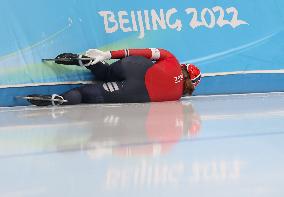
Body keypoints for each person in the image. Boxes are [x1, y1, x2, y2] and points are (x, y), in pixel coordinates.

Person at [27, 48, 201, 106]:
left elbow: (139, 52)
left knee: (107, 73)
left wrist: (107, 54)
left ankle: (89, 61)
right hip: (134, 92)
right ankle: (59, 99)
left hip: (133, 66)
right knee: (83, 94)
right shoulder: (175, 97)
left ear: (182, 67)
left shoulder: (172, 58)